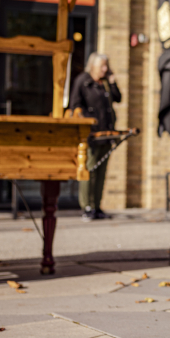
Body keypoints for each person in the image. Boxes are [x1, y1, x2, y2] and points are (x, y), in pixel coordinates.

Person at [70, 52, 121, 221]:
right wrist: (86, 122)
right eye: (102, 66)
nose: (105, 69)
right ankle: (87, 206)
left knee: (101, 172)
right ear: (92, 66)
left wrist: (113, 82)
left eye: (106, 66)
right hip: (91, 135)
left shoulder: (105, 83)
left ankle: (97, 206)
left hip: (106, 134)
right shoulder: (83, 82)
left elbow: (118, 98)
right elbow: (75, 105)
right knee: (89, 170)